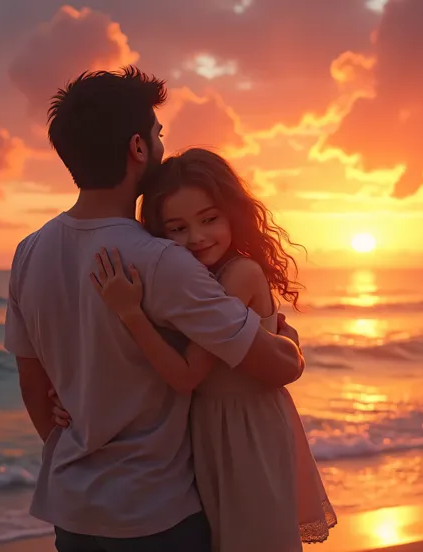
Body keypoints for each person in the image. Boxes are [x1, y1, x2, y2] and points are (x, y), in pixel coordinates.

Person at [3, 67, 304, 552]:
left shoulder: (29, 252)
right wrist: (284, 334)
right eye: (158, 133)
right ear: (138, 148)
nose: (162, 143)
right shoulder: (162, 259)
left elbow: (32, 385)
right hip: (156, 514)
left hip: (74, 510)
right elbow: (273, 365)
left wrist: (77, 449)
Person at [54, 148, 337, 551]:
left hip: (245, 430)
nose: (197, 238)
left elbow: (186, 374)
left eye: (209, 220)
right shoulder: (197, 281)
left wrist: (130, 313)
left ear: (232, 215)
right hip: (210, 429)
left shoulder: (237, 274)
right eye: (177, 228)